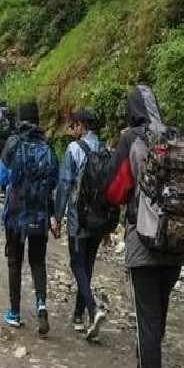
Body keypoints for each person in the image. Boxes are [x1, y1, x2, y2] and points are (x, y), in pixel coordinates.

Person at [104, 85, 184, 368]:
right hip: (178, 242)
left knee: (147, 325)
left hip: (144, 244)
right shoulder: (176, 137)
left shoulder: (131, 139)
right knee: (157, 319)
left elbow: (114, 189)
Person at [0, 100, 58, 334]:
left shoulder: (13, 143)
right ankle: (41, 306)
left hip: (15, 213)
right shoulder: (47, 146)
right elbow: (54, 179)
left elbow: (2, 178)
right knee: (38, 261)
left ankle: (14, 313)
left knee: (15, 261)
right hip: (40, 213)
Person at [55, 109, 109, 340]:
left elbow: (65, 185)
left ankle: (92, 310)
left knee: (77, 264)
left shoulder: (74, 149)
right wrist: (108, 227)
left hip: (78, 218)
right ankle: (78, 315)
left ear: (81, 126)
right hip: (98, 219)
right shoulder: (105, 149)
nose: (71, 130)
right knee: (87, 266)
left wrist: (58, 216)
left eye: (73, 125)